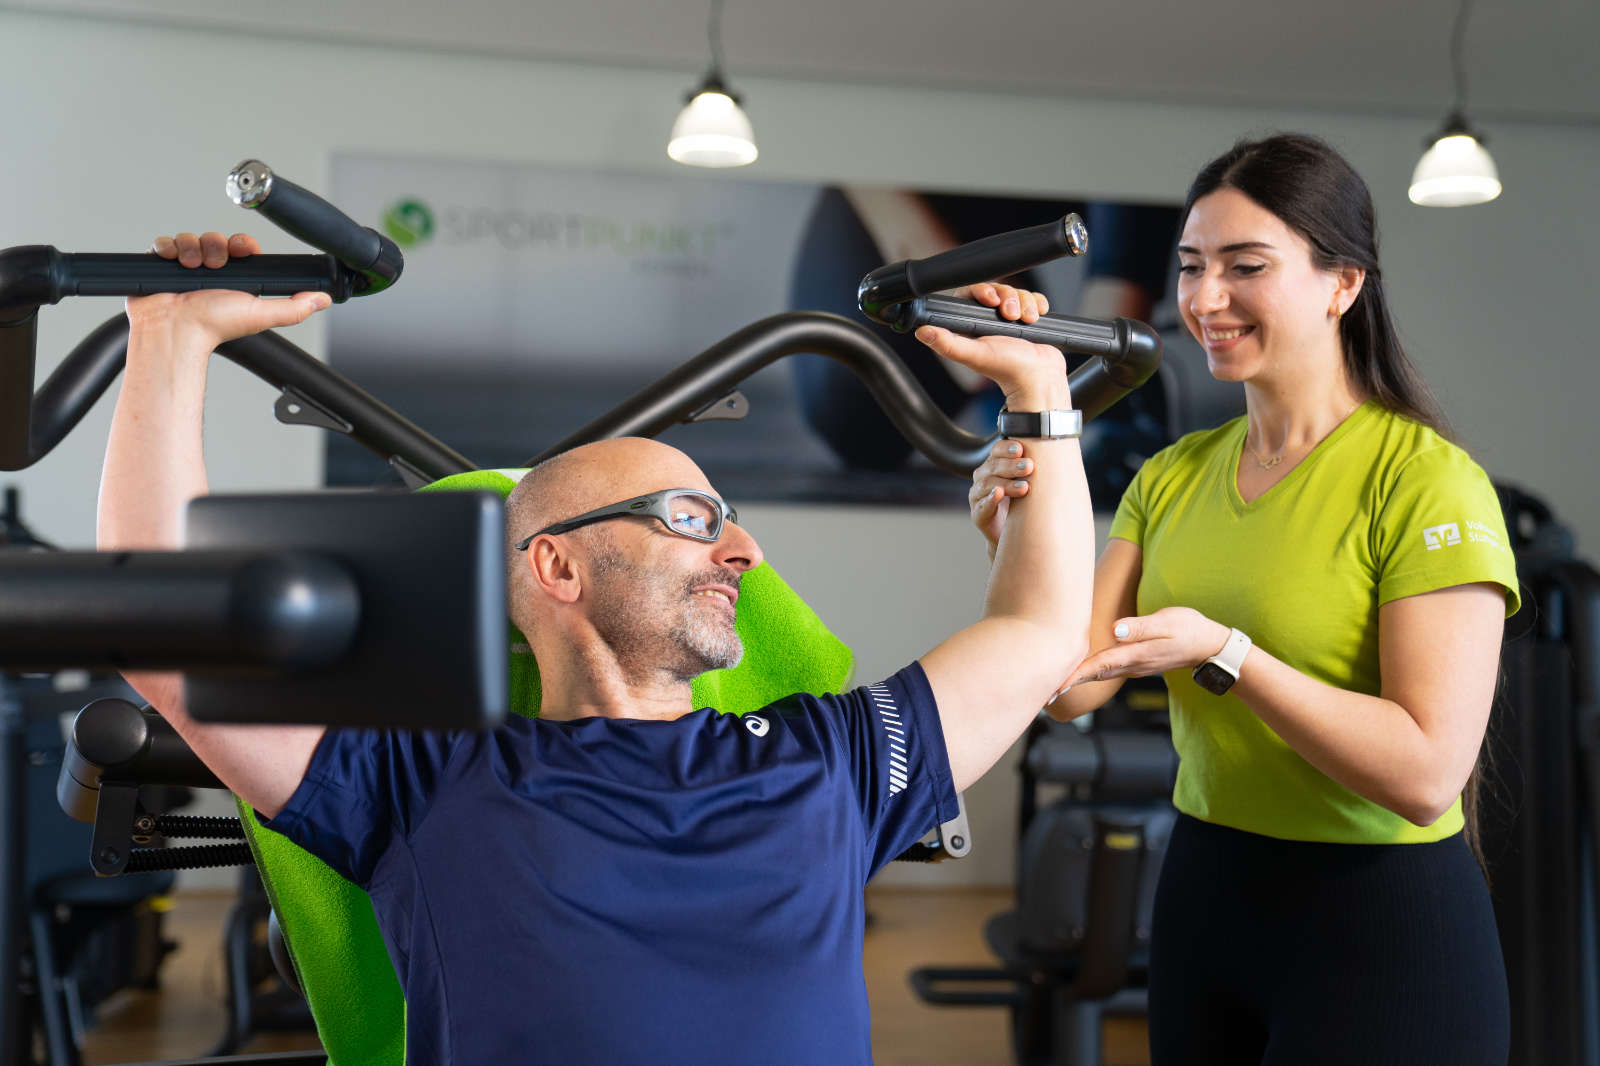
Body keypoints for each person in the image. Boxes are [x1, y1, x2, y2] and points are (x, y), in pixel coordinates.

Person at [97, 231, 1093, 1065]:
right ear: (557, 569)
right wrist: (170, 338)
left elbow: (1039, 630)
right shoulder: (423, 780)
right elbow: (169, 629)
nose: (745, 550)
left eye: (731, 520)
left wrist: (1038, 387)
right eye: (692, 517)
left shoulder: (834, 759)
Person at [971, 133, 1518, 1065]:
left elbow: (1428, 770)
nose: (1204, 299)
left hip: (1382, 915)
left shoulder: (1427, 481)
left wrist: (1225, 653)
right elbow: (1070, 685)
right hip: (1206, 890)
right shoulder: (1176, 473)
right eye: (1190, 268)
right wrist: (1013, 529)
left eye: (1245, 266)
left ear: (1342, 283)